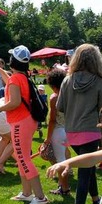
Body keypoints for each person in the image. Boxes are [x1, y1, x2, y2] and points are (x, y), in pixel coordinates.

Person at [56, 44, 102, 204]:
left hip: (71, 132)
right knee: (85, 172)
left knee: (88, 168)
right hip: (90, 131)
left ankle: (96, 199)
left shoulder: (67, 80)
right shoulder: (100, 82)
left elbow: (60, 107)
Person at [0, 45, 49, 204]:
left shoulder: (17, 78)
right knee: (23, 157)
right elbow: (11, 83)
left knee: (23, 158)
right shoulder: (22, 76)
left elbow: (14, 102)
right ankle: (26, 193)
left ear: (13, 60)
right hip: (27, 121)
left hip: (20, 122)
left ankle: (40, 196)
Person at [44, 68, 71, 196]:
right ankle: (63, 185)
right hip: (70, 130)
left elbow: (52, 120)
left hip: (59, 131)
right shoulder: (72, 94)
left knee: (60, 161)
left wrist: (48, 138)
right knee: (64, 157)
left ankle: (64, 188)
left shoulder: (54, 97)